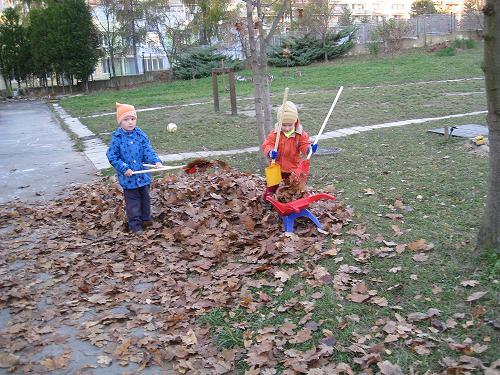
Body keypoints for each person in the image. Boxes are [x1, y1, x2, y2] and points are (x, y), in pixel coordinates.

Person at [106, 102, 163, 233]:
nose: (130, 122)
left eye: (132, 119)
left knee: (145, 200)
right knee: (133, 204)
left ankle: (146, 220)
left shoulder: (141, 135)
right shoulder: (117, 138)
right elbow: (112, 156)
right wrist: (124, 168)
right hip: (129, 179)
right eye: (126, 120)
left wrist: (156, 161)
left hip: (143, 177)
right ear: (120, 122)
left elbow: (148, 150)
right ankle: (135, 226)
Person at [262, 101, 318, 198]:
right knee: (272, 186)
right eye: (284, 125)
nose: (287, 128)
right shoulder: (275, 134)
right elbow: (267, 145)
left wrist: (309, 149)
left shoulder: (300, 134)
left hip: (293, 167)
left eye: (290, 125)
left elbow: (304, 144)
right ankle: (267, 199)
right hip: (276, 166)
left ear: (295, 122)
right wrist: (270, 152)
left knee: (293, 187)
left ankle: (291, 200)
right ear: (279, 123)